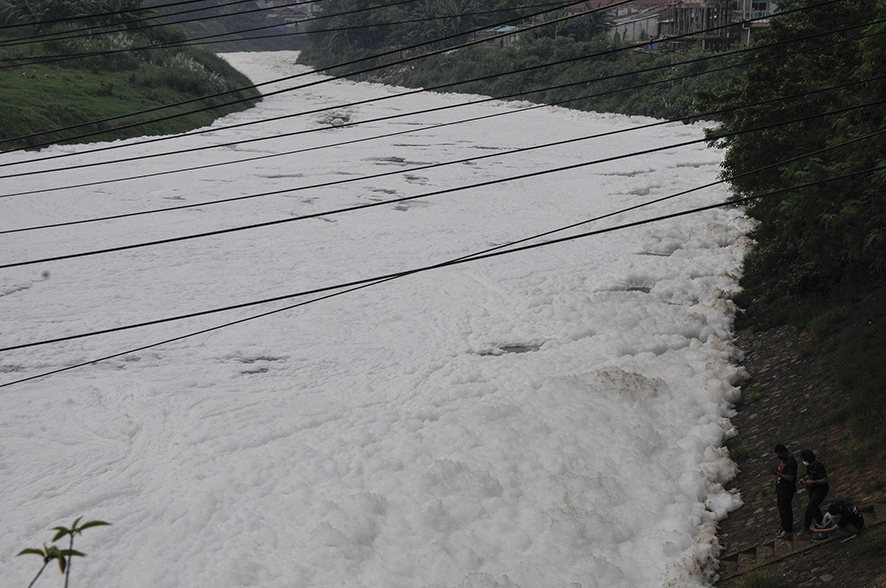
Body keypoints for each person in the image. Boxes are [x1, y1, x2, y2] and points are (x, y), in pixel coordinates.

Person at [797, 449, 829, 538]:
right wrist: (804, 479)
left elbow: (824, 480)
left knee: (810, 508)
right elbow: (809, 474)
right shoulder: (810, 466)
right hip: (813, 490)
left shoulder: (819, 466)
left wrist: (813, 482)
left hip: (820, 490)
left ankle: (806, 527)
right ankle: (823, 525)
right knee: (814, 508)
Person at [770, 444, 798, 539]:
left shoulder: (791, 462)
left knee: (786, 509)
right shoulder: (784, 460)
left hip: (787, 489)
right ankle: (784, 526)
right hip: (781, 488)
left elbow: (790, 477)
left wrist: (778, 473)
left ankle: (788, 529)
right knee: (781, 507)